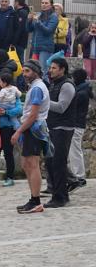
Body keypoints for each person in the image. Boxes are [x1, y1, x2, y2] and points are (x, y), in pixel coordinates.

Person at [11, 60, 50, 214]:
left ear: (35, 72)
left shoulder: (37, 89)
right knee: (27, 164)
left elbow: (33, 115)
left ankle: (36, 200)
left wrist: (19, 131)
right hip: (32, 128)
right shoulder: (35, 87)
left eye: (27, 71)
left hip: (33, 129)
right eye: (24, 71)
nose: (25, 74)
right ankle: (33, 198)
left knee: (32, 164)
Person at [43, 58, 76, 208]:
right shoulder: (54, 84)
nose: (50, 70)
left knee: (58, 163)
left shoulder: (67, 85)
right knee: (51, 162)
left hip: (63, 129)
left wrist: (43, 102)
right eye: (50, 68)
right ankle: (59, 193)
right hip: (53, 127)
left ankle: (60, 197)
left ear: (62, 69)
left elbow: (62, 107)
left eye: (54, 68)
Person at [0, 74, 22, 187]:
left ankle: (10, 177)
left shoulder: (15, 95)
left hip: (8, 128)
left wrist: (6, 112)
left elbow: (19, 110)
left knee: (8, 152)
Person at [67, 68, 91, 192]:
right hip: (77, 124)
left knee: (75, 151)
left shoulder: (81, 93)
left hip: (76, 124)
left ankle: (79, 176)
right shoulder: (83, 90)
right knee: (75, 150)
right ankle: (78, 175)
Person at [28, 0, 59, 75]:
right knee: (34, 72)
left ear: (51, 5)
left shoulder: (53, 17)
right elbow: (29, 29)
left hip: (45, 48)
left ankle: (45, 86)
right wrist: (29, 20)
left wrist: (38, 22)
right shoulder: (39, 14)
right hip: (35, 47)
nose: (44, 5)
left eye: (46, 3)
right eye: (42, 3)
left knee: (43, 71)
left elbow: (48, 31)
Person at [12, 0, 30, 64]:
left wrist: (14, 41)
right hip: (21, 41)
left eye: (14, 2)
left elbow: (20, 28)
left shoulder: (21, 13)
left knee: (19, 61)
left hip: (19, 41)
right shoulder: (23, 12)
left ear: (17, 3)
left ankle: (22, 74)